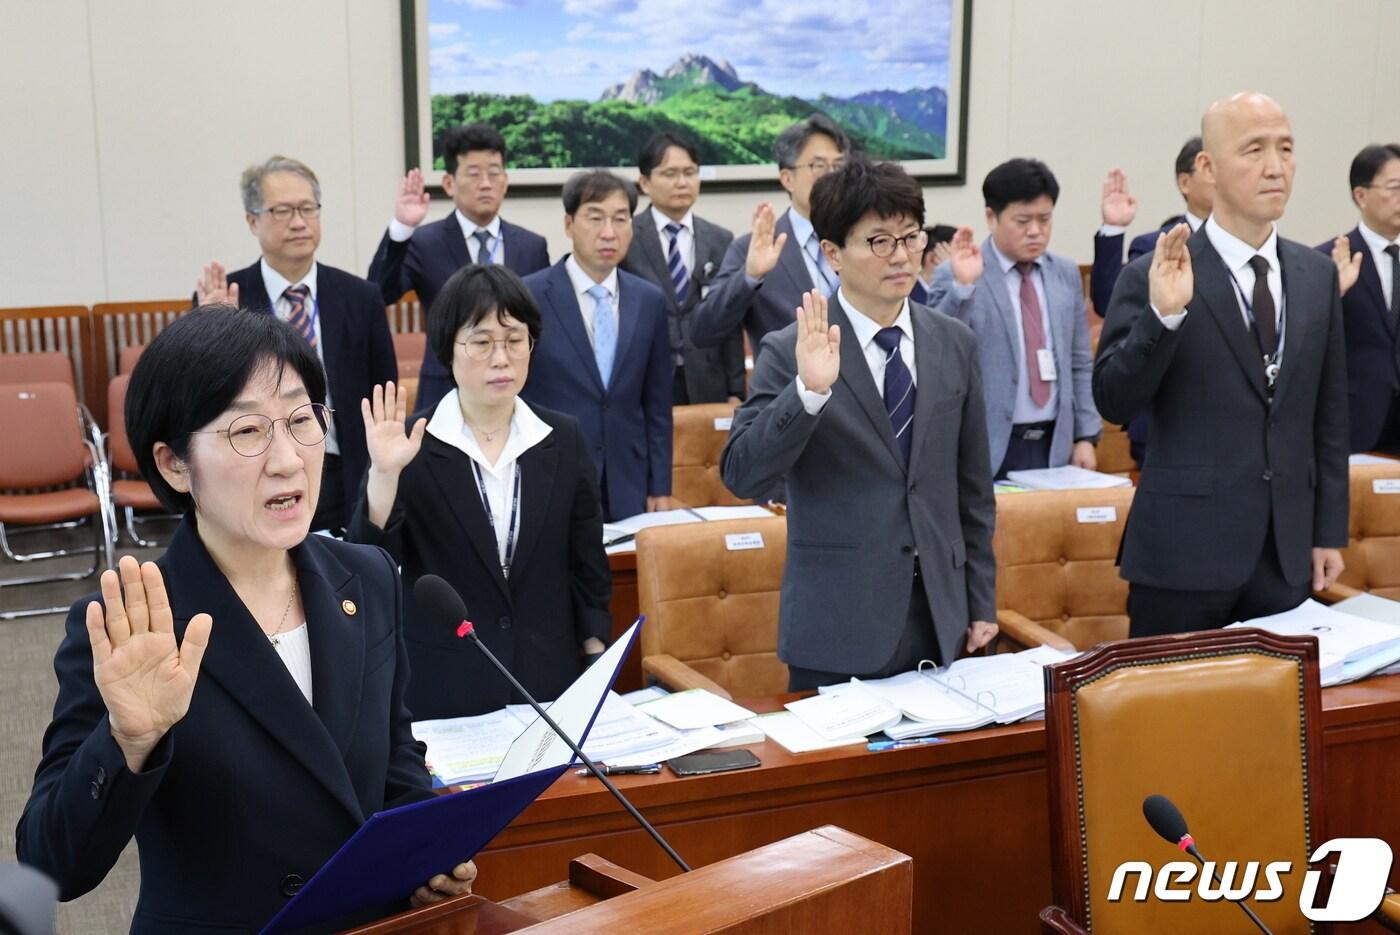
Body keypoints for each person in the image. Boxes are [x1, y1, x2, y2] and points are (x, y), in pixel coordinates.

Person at [16, 309, 475, 931]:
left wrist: (426, 855)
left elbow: (394, 765)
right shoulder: (130, 622)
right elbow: (50, 867)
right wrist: (129, 740)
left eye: (300, 419)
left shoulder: (365, 578)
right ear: (176, 464)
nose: (287, 459)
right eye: (248, 431)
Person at [721, 159, 997, 690]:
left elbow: (972, 490)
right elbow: (743, 475)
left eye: (910, 237)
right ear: (832, 254)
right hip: (838, 624)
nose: (901, 256)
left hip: (943, 615)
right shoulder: (790, 348)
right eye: (879, 242)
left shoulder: (952, 342)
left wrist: (980, 599)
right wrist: (808, 393)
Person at [1093, 92, 1348, 637]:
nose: (1275, 167)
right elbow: (1114, 400)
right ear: (1206, 167)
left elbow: (1328, 415)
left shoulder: (1315, 275)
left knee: (1277, 719)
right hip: (1182, 555)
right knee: (1167, 717)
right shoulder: (1155, 270)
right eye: (1254, 150)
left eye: (1286, 148)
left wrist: (1328, 530)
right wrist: (1163, 316)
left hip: (1284, 552)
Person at [346, 266, 611, 718]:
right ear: (448, 348)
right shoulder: (410, 444)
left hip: (549, 685)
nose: (501, 357)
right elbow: (368, 566)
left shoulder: (562, 437)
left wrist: (594, 654)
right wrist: (385, 477)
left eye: (514, 339)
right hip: (444, 689)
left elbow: (587, 564)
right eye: (482, 341)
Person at [194, 155, 397, 532]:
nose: (300, 222)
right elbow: (203, 402)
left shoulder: (360, 297)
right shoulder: (227, 298)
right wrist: (215, 328)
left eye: (308, 208)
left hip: (344, 469)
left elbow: (384, 389)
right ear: (252, 220)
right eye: (283, 211)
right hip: (262, 469)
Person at [929, 159, 1101, 479]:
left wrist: (1085, 436)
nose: (1035, 231)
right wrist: (963, 287)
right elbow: (936, 352)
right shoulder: (958, 273)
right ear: (991, 217)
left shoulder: (1064, 273)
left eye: (1044, 219)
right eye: (1022, 220)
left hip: (1055, 446)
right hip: (988, 444)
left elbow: (1079, 361)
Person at [519, 171, 674, 521]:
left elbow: (658, 404)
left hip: (628, 478)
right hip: (551, 472)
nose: (609, 232)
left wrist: (660, 485)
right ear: (569, 223)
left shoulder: (648, 300)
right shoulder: (529, 296)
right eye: (595, 217)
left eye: (621, 219)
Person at [370, 124, 550, 412]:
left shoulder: (531, 246)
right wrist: (402, 227)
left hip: (516, 392)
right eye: (474, 173)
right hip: (445, 389)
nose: (486, 183)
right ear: (449, 183)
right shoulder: (425, 242)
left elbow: (540, 324)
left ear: (505, 181)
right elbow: (379, 293)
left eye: (494, 173)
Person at [690, 115, 852, 357]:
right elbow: (704, 331)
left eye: (838, 165)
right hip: (788, 391)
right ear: (788, 179)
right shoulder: (752, 249)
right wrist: (750, 276)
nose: (832, 175)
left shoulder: (866, 241)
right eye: (818, 166)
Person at [623, 132, 745, 404]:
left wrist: (736, 390)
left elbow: (730, 319)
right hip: (645, 379)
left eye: (690, 172)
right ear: (644, 182)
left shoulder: (720, 239)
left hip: (708, 379)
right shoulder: (627, 237)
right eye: (670, 174)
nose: (682, 182)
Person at [1318, 143, 1400, 452]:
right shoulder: (1327, 261)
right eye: (1394, 187)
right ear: (1360, 195)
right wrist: (1333, 292)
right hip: (1356, 420)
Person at [1089, 139, 1213, 317]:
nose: (1225, 179)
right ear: (1185, 183)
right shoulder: (1154, 246)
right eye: (1211, 170)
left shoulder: (1251, 242)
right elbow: (1111, 304)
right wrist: (1113, 227)